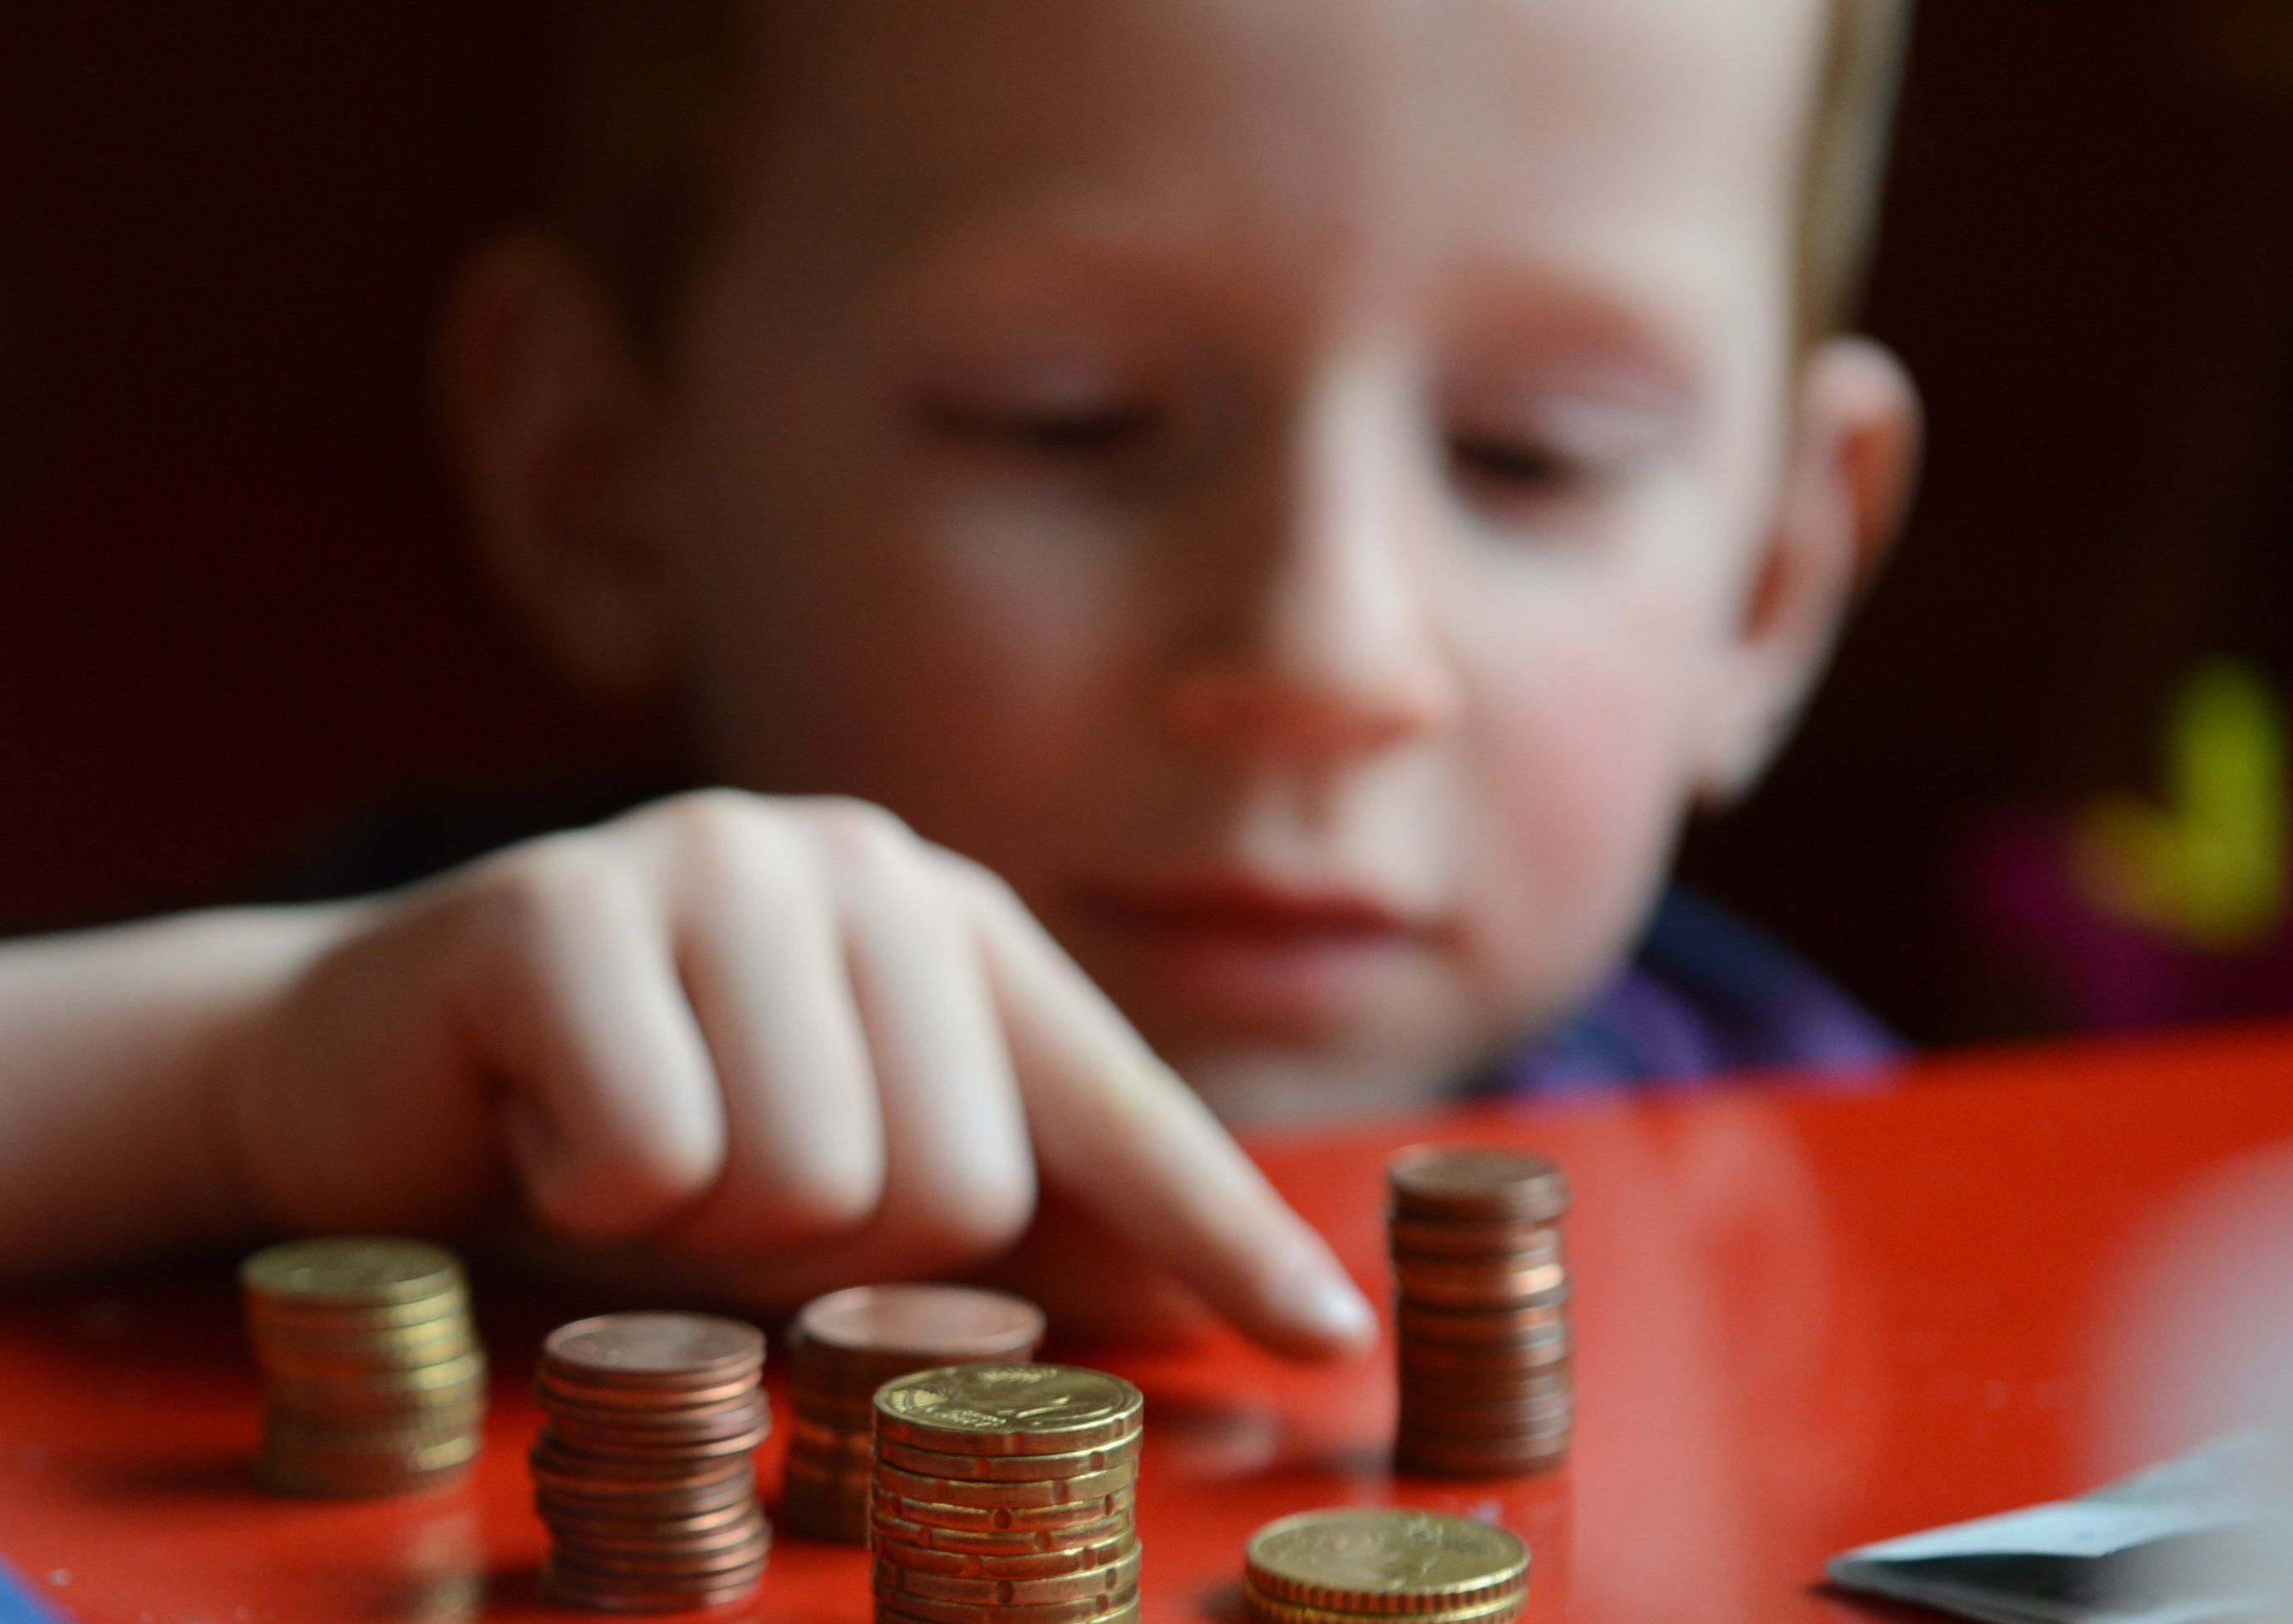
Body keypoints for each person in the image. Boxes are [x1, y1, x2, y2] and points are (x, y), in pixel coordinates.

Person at [0, 0, 1921, 1356]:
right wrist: (229, 1085)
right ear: (601, 479)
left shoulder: (1857, 1161)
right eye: (1064, 424)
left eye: (1535, 455)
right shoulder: (429, 1034)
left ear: (1774, 575)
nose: (1326, 655)